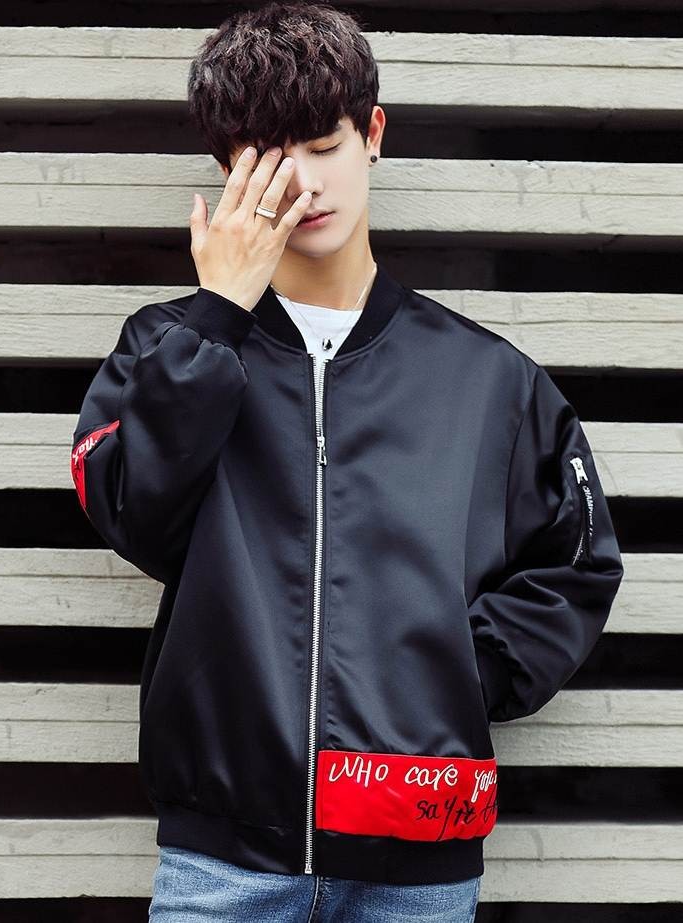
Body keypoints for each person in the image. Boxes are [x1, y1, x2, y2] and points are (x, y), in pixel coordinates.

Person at [69, 2, 625, 920]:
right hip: (223, 863)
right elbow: (132, 510)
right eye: (267, 157)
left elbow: (575, 564)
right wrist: (219, 314)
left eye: (323, 145)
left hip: (417, 860)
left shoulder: (489, 379)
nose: (304, 184)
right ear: (227, 168)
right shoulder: (167, 348)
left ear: (372, 134)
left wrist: (455, 674)